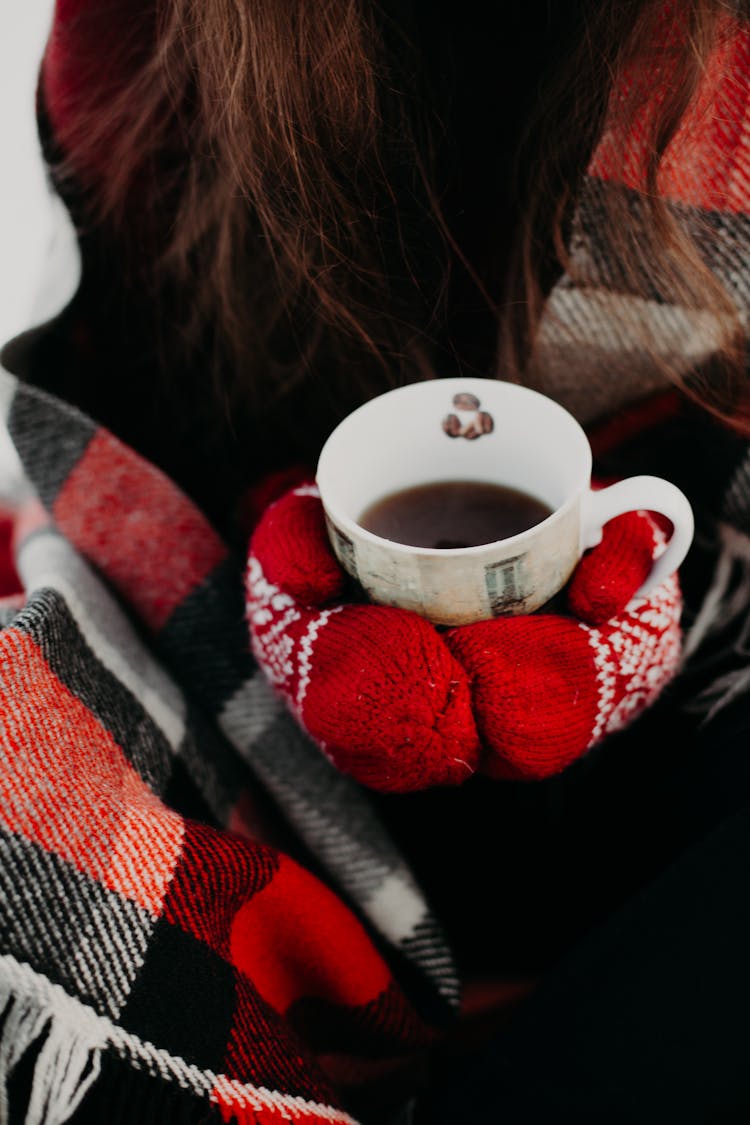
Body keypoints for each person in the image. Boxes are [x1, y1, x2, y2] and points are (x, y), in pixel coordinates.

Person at [0, 1, 749, 1121]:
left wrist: (642, 618)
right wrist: (284, 603)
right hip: (285, 735)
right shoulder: (171, 31)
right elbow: (153, 392)